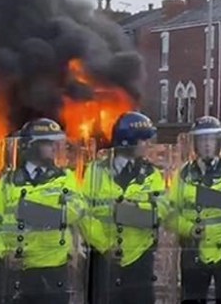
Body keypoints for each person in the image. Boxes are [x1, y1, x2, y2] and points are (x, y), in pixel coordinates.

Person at [0, 118, 86, 304]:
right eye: (48, 143)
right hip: (17, 266)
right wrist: (2, 252)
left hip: (55, 265)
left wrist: (30, 211)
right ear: (31, 146)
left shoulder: (65, 178)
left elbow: (75, 210)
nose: (54, 148)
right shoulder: (8, 181)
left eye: (56, 143)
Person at [168, 116, 221, 304]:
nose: (207, 145)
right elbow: (170, 213)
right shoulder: (184, 174)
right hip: (195, 249)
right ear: (195, 144)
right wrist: (189, 229)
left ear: (219, 142)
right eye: (202, 140)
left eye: (211, 140)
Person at [83, 111, 166, 304]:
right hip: (104, 260)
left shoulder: (151, 174)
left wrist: (130, 210)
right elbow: (84, 214)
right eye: (143, 140)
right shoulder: (96, 171)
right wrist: (104, 245)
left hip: (140, 258)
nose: (148, 145)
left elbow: (161, 212)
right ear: (127, 141)